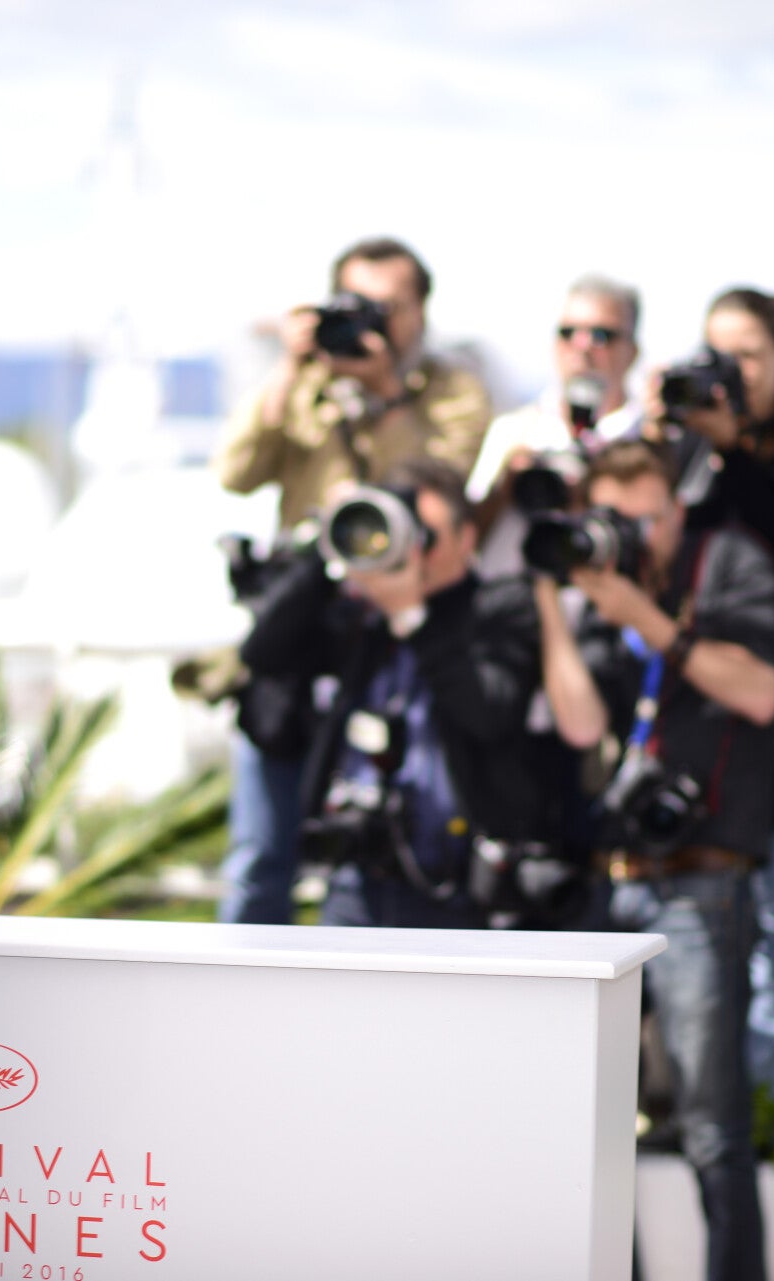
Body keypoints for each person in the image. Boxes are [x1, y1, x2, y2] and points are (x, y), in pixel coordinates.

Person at [212, 236, 493, 924]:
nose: (371, 323)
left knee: (379, 847)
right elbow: (236, 470)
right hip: (302, 626)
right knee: (260, 858)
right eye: (355, 305)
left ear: (421, 313)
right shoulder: (307, 383)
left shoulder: (451, 390)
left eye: (387, 308)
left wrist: (385, 393)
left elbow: (437, 486)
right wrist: (290, 365)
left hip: (394, 637)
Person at [563, 439, 774, 1281]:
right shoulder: (590, 587)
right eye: (612, 517)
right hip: (605, 882)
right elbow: (578, 725)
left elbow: (759, 691)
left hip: (700, 882)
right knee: (593, 1126)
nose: (631, 534)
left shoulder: (724, 562)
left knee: (711, 1126)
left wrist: (642, 614)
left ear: (678, 509)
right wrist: (557, 596)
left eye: (645, 517)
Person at [655, 286, 774, 1103]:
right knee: (673, 887)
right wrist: (663, 431)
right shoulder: (687, 429)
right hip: (682, 679)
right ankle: (684, 1091)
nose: (730, 371)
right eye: (717, 354)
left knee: (763, 905)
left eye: (747, 355)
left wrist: (732, 444)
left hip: (767, 676)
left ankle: (760, 1104)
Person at [241, 458, 545, 929]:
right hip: (355, 876)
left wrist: (413, 617)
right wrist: (330, 544)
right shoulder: (363, 616)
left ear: (467, 538)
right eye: (402, 532)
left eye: (427, 536)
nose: (413, 550)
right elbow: (264, 654)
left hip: (457, 886)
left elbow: (490, 714)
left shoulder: (499, 606)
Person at [469, 274, 645, 578]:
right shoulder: (513, 430)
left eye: (601, 335)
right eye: (568, 332)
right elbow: (466, 537)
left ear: (632, 352)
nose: (582, 346)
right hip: (513, 592)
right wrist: (511, 483)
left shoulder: (647, 437)